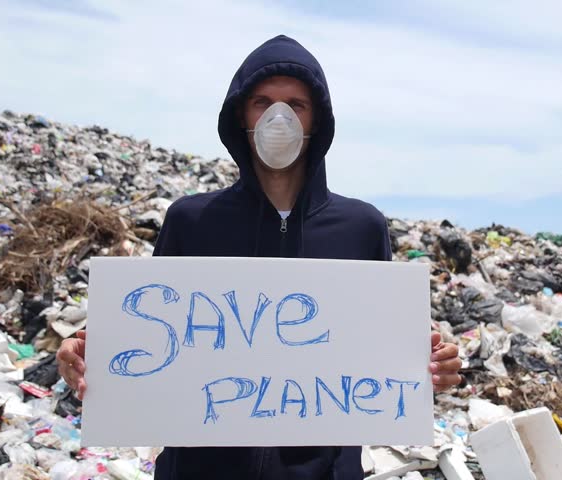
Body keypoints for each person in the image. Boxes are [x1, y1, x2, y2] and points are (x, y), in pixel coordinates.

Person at [57, 34, 462, 479]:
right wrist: (85, 350)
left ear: (317, 120)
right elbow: (154, 329)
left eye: (296, 104)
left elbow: (382, 350)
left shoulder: (360, 227)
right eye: (262, 102)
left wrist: (430, 367)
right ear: (240, 115)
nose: (278, 118)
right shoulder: (192, 220)